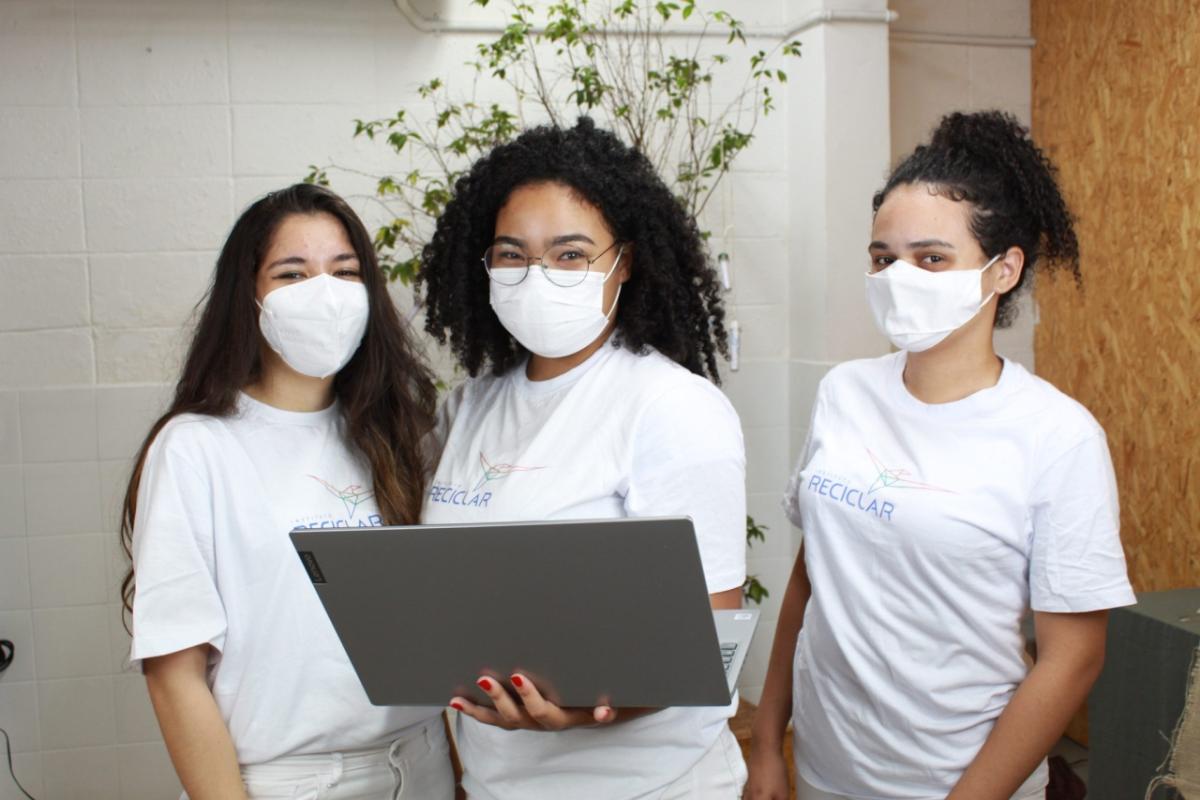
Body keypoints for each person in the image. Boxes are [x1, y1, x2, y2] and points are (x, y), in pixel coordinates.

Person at [745, 111, 1136, 800]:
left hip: (961, 781)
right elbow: (813, 578)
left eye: (930, 259)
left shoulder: (1056, 436)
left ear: (1003, 269)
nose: (899, 277)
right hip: (827, 774)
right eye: (882, 258)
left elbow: (1073, 658)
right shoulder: (844, 393)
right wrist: (770, 746)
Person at [418, 116, 749, 800]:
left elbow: (706, 644)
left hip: (648, 787)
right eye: (512, 254)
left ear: (623, 262)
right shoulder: (466, 411)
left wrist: (574, 709)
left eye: (570, 255)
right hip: (497, 783)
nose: (537, 274)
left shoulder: (670, 408)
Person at [121, 184, 453, 799]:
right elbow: (175, 673)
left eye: (344, 271)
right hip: (294, 782)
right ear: (247, 298)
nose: (323, 293)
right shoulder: (196, 447)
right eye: (292, 274)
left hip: (423, 762)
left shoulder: (399, 435)